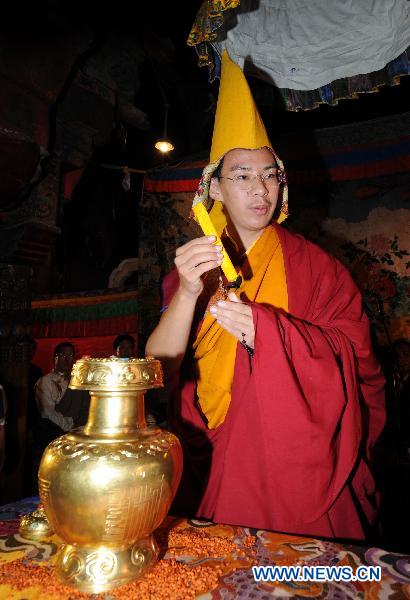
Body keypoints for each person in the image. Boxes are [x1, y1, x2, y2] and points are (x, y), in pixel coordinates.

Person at [145, 51, 385, 540]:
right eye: (242, 176)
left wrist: (270, 332)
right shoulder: (192, 267)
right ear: (214, 187)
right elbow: (159, 372)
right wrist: (190, 292)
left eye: (270, 175)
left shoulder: (319, 269)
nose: (261, 190)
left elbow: (359, 365)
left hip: (298, 461)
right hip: (205, 456)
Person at [34, 342, 90, 449]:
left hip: (79, 432)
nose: (67, 359)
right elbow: (47, 412)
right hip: (54, 431)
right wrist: (69, 427)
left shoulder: (77, 380)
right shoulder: (45, 381)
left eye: (70, 356)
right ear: (55, 357)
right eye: (63, 355)